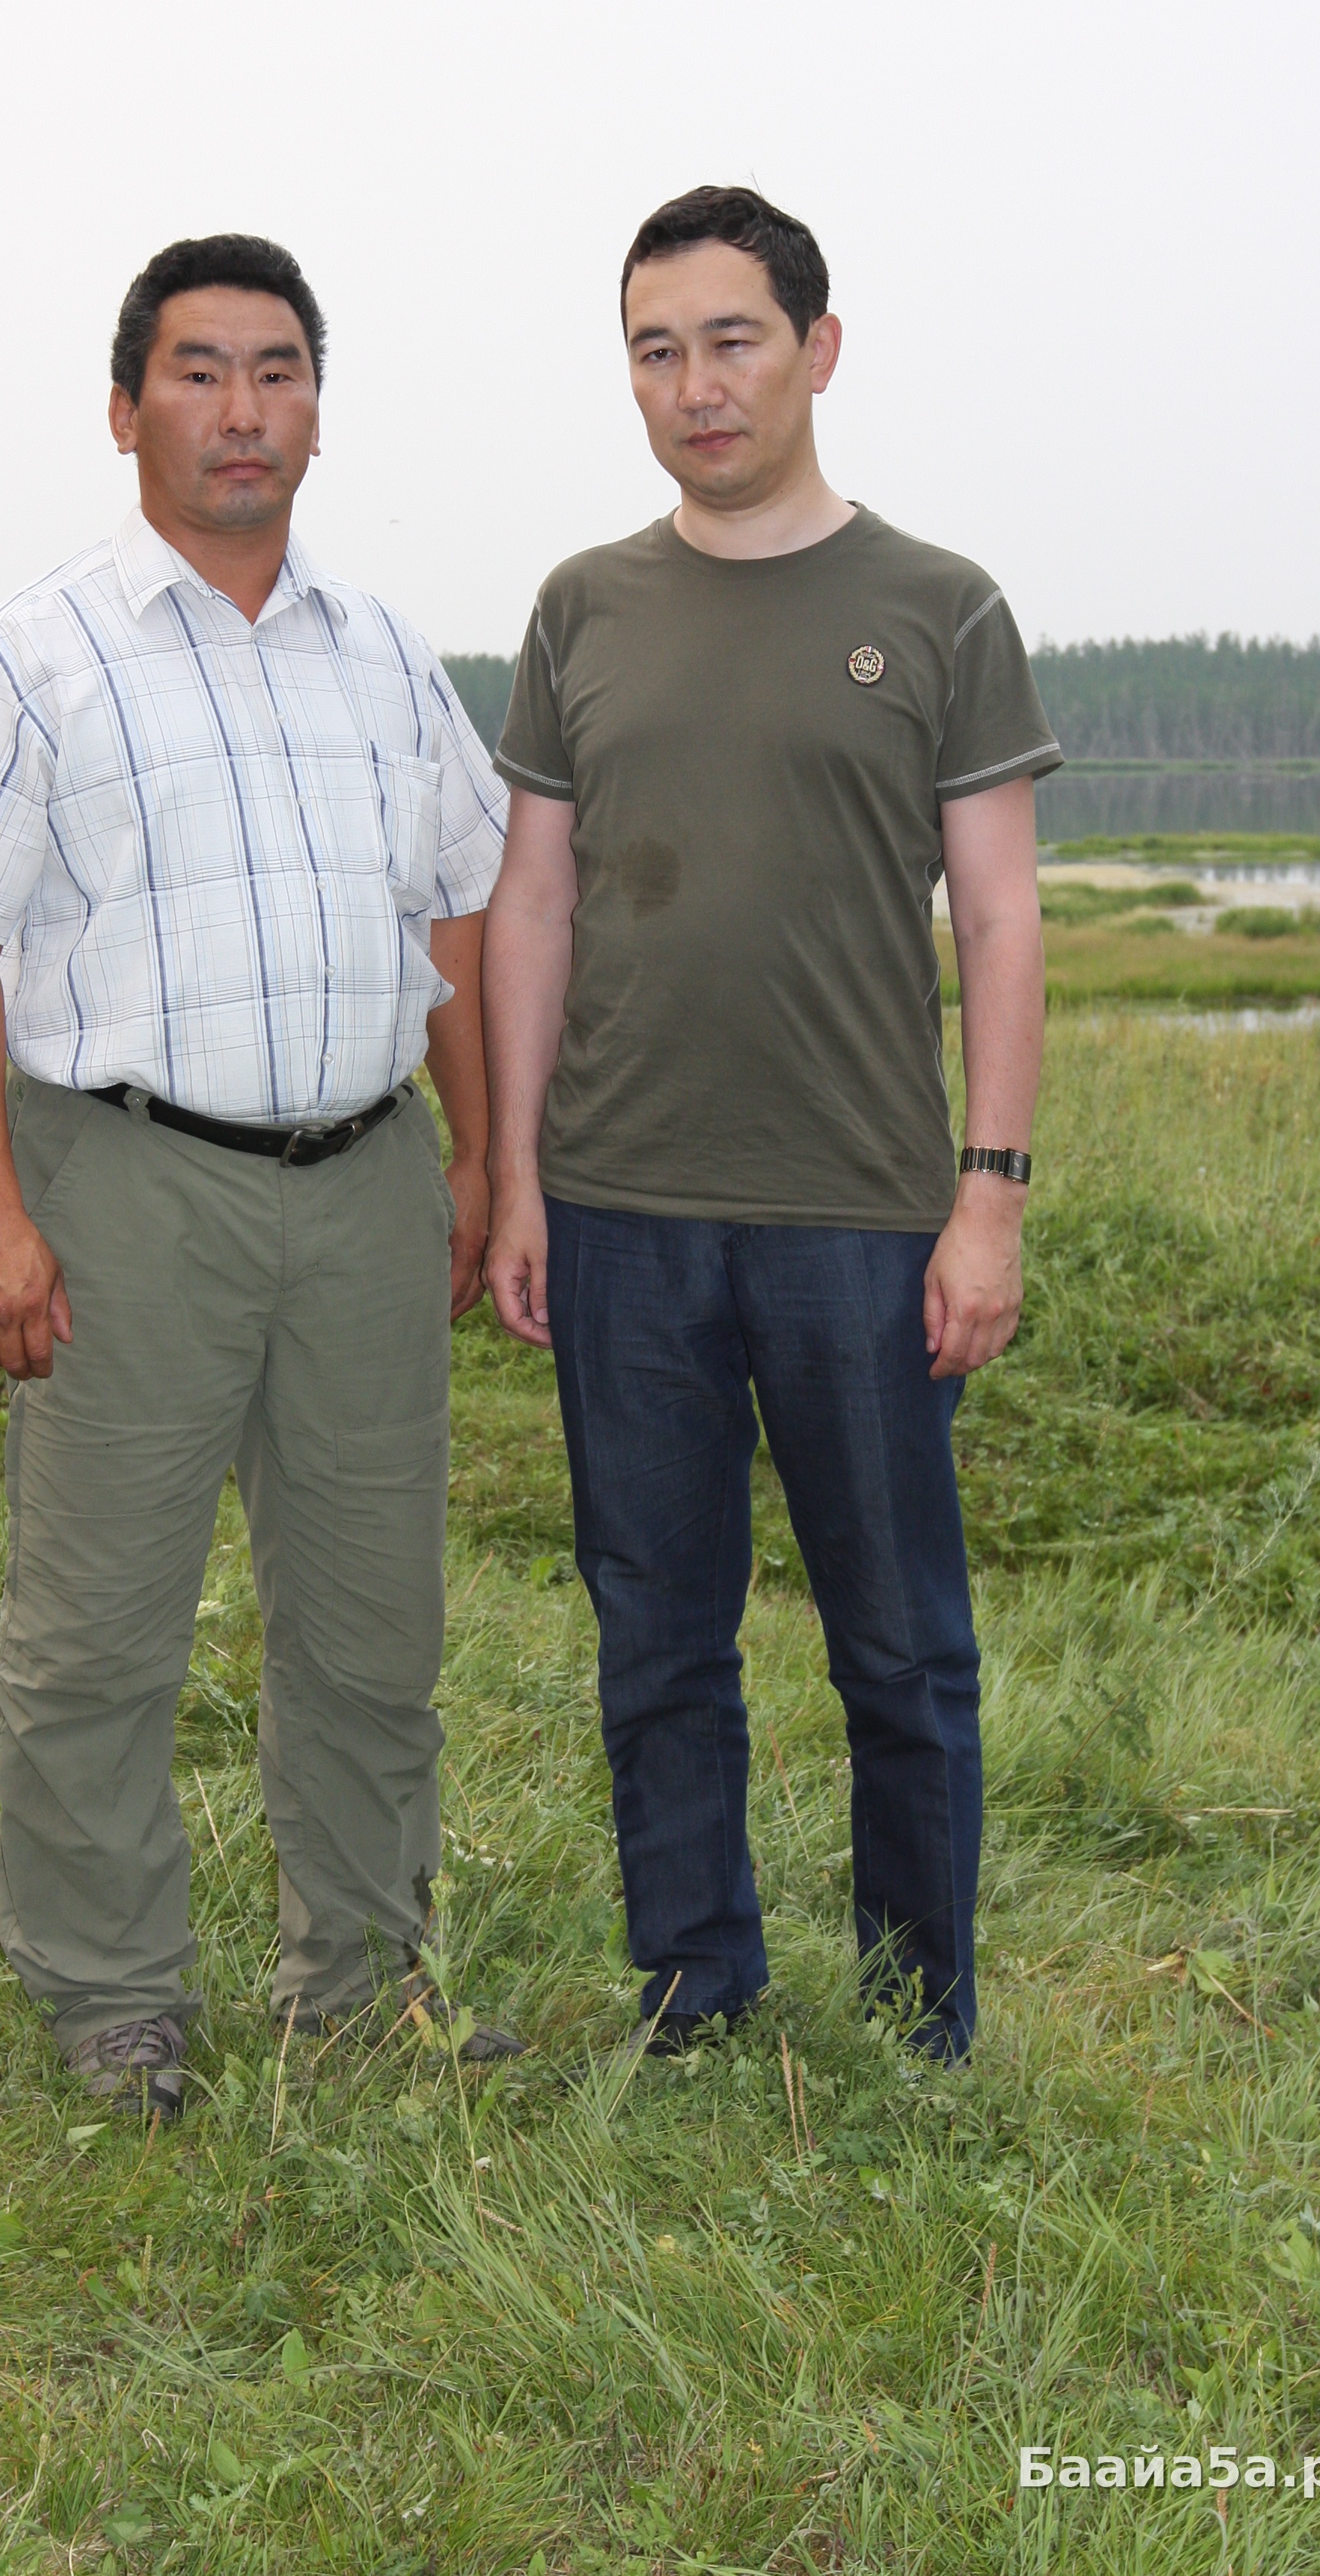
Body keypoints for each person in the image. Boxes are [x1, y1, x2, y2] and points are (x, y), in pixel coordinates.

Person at [0, 233, 520, 2119]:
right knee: (98, 1627)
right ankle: (111, 1997)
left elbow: (459, 916)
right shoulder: (38, 654)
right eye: (202, 370)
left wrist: (485, 1158)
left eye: (279, 372)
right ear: (125, 407)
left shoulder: (384, 655)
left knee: (373, 1623)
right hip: (131, 1188)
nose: (244, 410)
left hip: (369, 1183)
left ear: (319, 410)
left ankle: (360, 1984)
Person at [482, 185, 1057, 2064]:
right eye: (656, 351)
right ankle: (696, 1997)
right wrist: (515, 1178)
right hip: (620, 1209)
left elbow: (1000, 921)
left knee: (900, 1646)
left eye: (731, 342)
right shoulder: (582, 608)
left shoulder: (938, 606)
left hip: (861, 1218)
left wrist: (990, 1197)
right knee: (658, 1637)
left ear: (818, 350)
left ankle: (918, 2020)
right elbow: (533, 906)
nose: (697, 386)